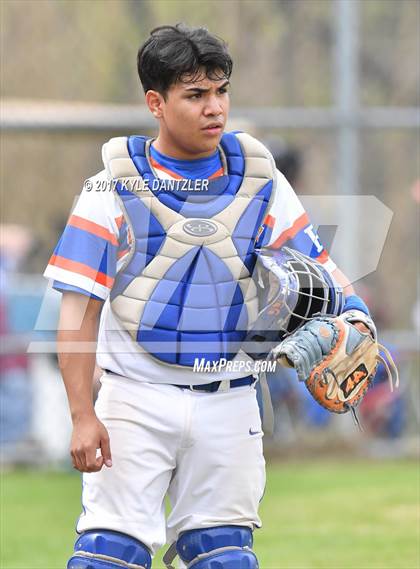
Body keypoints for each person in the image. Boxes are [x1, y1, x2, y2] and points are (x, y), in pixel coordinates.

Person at [44, 24, 373, 569]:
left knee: (225, 557)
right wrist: (82, 413)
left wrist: (356, 317)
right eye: (195, 95)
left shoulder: (261, 179)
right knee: (108, 556)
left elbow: (321, 268)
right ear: (156, 102)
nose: (214, 107)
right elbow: (79, 308)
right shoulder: (110, 185)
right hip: (134, 399)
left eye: (221, 91)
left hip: (230, 396)